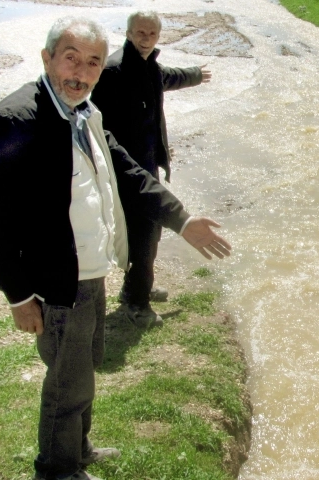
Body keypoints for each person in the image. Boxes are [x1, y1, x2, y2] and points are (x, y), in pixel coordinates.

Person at [0, 17, 231, 480]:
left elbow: (129, 172)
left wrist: (182, 220)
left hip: (91, 271)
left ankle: (78, 446)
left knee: (85, 368)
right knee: (66, 382)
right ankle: (57, 468)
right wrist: (18, 297)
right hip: (56, 282)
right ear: (47, 58)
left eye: (92, 61)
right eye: (70, 58)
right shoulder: (16, 122)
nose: (82, 71)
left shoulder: (86, 113)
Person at [91, 11, 212, 327]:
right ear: (129, 33)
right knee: (143, 234)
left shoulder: (149, 67)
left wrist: (195, 75)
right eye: (140, 33)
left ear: (159, 36)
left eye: (152, 34)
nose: (146, 39)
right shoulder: (113, 70)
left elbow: (167, 77)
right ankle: (136, 302)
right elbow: (97, 124)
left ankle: (137, 285)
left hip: (147, 163)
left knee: (151, 230)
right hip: (127, 170)